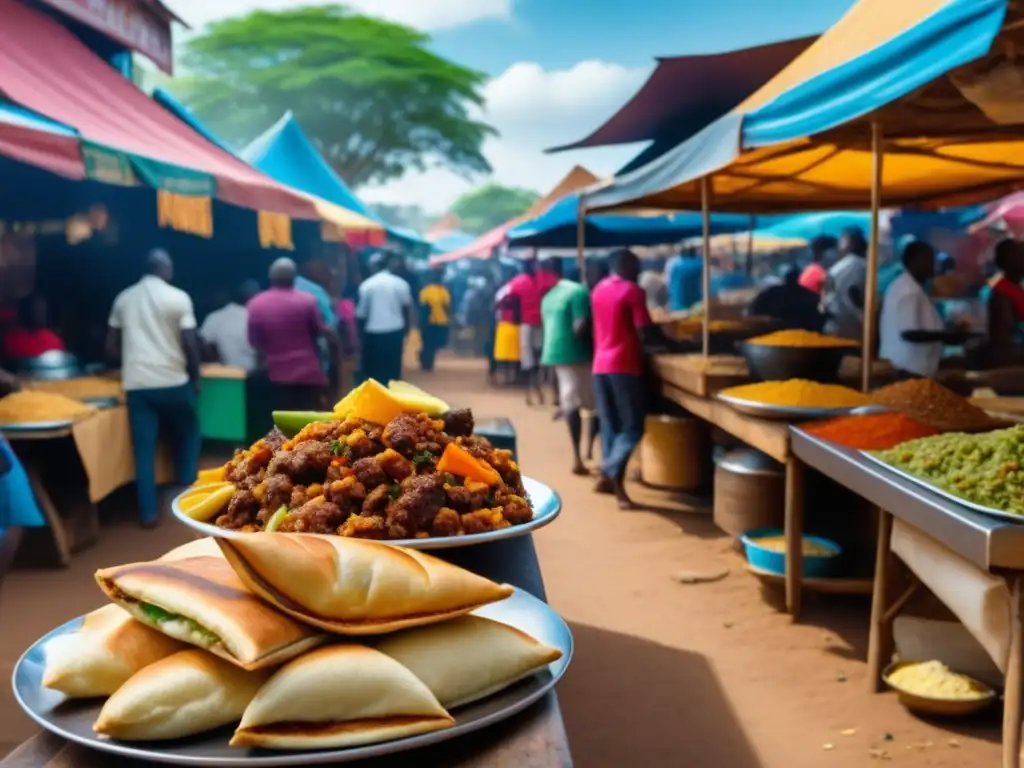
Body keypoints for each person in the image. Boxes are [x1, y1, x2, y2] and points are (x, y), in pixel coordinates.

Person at [106, 249, 201, 528]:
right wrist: (195, 378)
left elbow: (110, 347)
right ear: (165, 268)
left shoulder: (123, 298)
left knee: (144, 449)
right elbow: (191, 344)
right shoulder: (178, 297)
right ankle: (186, 494)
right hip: (174, 381)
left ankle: (148, 514)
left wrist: (127, 361)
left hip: (138, 386)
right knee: (189, 432)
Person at [591, 248, 659, 509]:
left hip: (600, 365)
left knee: (611, 427)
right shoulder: (633, 291)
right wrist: (669, 343)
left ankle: (612, 481)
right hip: (624, 365)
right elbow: (645, 331)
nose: (640, 271)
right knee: (633, 426)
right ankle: (610, 470)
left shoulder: (599, 289)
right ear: (627, 265)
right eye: (637, 265)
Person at [248, 258, 333, 412]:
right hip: (308, 373)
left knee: (281, 421)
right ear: (294, 277)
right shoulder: (308, 301)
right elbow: (320, 331)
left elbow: (254, 341)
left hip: (275, 374)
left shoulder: (256, 304)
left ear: (271, 278)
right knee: (308, 422)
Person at [540, 260, 598, 476]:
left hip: (555, 353)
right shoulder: (579, 292)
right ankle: (585, 454)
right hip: (578, 354)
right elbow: (579, 326)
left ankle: (581, 455)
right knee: (591, 406)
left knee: (571, 402)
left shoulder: (549, 295)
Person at [879, 241, 968, 378]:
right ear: (916, 261)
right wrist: (946, 336)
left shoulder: (909, 286)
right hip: (907, 371)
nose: (933, 265)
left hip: (911, 369)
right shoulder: (909, 291)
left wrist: (947, 330)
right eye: (929, 260)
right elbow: (909, 333)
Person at [501, 259, 553, 405]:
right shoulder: (544, 279)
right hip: (541, 322)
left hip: (527, 324)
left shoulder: (519, 281)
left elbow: (504, 297)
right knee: (537, 357)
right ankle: (536, 389)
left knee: (528, 360)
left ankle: (531, 391)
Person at [356, 251, 413, 384]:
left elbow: (361, 314)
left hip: (372, 333)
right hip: (395, 330)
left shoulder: (367, 285)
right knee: (393, 369)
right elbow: (406, 308)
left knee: (373, 371)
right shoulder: (401, 284)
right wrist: (407, 330)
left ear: (373, 267)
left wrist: (360, 337)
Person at [198, 281, 259, 371]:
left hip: (226, 375)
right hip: (253, 373)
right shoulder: (254, 317)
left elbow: (203, 345)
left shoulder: (213, 318)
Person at [822, 227, 868, 341]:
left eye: (842, 241)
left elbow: (852, 293)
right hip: (848, 325)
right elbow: (853, 293)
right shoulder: (860, 265)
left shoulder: (842, 267)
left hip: (840, 324)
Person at [750, 267, 824, 331]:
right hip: (776, 333)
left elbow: (754, 309)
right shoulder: (809, 295)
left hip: (778, 334)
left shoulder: (772, 292)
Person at [987, 238, 1024, 366]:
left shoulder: (1015, 289)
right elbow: (1002, 340)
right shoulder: (1002, 294)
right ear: (1007, 262)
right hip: (1013, 365)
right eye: (1020, 254)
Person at [2, 295, 65, 361]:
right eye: (37, 309)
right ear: (26, 311)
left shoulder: (53, 338)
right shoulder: (10, 339)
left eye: (43, 309)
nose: (41, 313)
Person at [418, 268, 452, 372]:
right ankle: (429, 362)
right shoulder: (444, 291)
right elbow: (447, 307)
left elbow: (423, 307)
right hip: (440, 321)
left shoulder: (425, 291)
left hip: (427, 322)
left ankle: (425, 362)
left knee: (426, 343)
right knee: (433, 344)